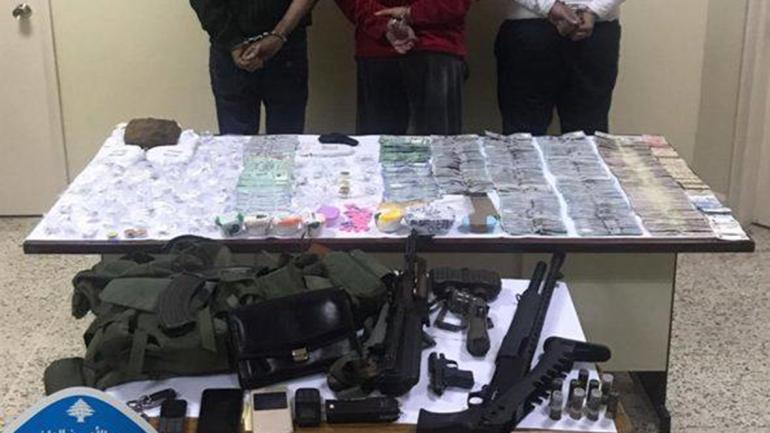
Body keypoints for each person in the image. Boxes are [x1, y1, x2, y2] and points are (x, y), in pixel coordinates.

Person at [335, 0, 472, 135]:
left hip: (380, 46)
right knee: (439, 144)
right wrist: (409, 13)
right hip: (437, 43)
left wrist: (382, 21)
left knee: (377, 144)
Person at [496, 0, 625, 135]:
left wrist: (549, 6)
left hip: (530, 25)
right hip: (594, 28)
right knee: (588, 129)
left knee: (524, 131)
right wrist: (595, 10)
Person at [190, 0, 318, 135]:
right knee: (236, 143)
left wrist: (279, 34)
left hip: (287, 47)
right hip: (231, 52)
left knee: (285, 140)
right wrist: (232, 42)